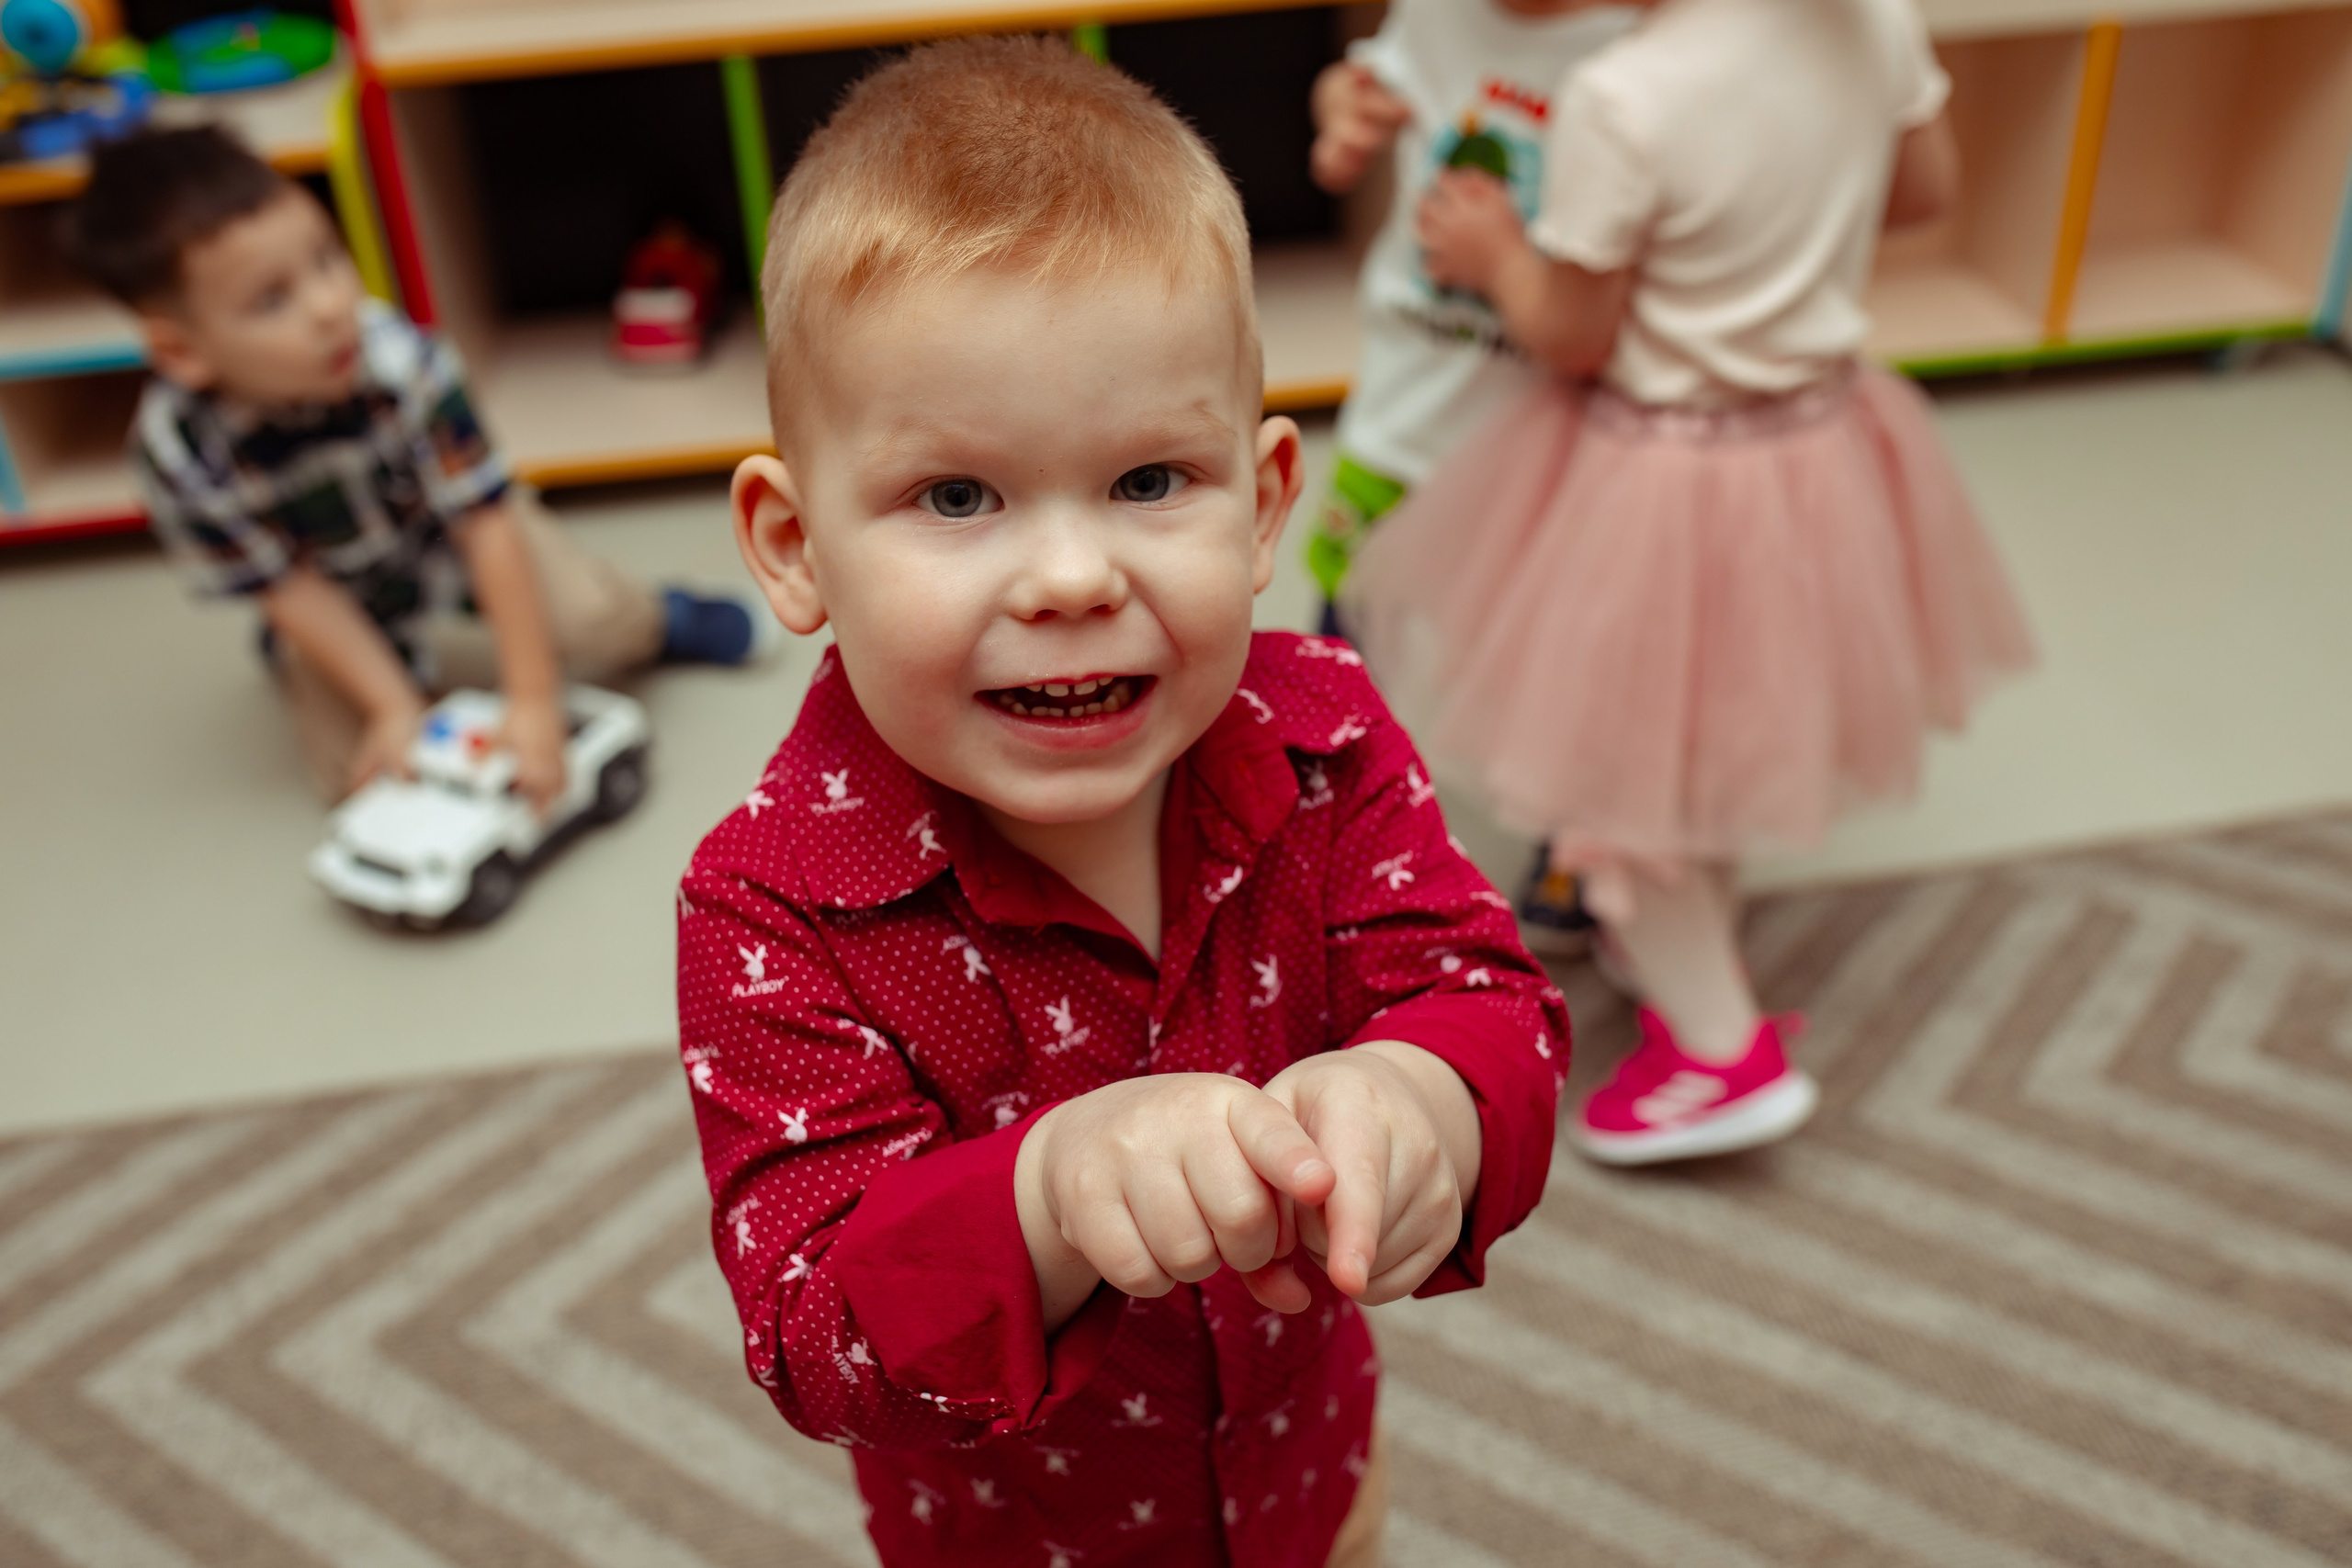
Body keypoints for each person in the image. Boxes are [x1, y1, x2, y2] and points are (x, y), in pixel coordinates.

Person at [675, 37, 1566, 1568]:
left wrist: (1425, 1096)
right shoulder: (772, 902)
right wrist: (1046, 1192)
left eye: (1152, 480)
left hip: (1309, 1478)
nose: (1077, 577)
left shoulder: (1330, 737)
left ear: (1269, 500)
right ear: (791, 542)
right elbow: (810, 1331)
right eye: (957, 497)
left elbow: (1483, 992)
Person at [1344, 0, 2036, 1165]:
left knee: (1619, 781)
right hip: (1817, 439)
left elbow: (1572, 332)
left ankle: (1721, 1056)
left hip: (1668, 471)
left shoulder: (1629, 96)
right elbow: (1920, 194)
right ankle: (1681, 954)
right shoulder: (1873, 21)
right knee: (1710, 737)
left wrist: (1494, 256)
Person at [67, 126, 768, 807]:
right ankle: (320, 661)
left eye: (326, 259)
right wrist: (394, 707)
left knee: (588, 621)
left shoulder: (403, 365)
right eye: (272, 299)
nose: (330, 306)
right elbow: (289, 585)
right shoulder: (177, 456)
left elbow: (486, 524)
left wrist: (530, 699)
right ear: (182, 352)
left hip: (454, 533)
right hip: (331, 583)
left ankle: (658, 617)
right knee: (358, 769)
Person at [1307, 0, 1632, 949]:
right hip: (1403, 408)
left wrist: (1501, 264)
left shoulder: (1634, 52)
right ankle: (1332, 838)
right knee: (1349, 633)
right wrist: (1345, 112)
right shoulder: (1438, 11)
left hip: (1539, 438)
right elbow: (1369, 75)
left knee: (1559, 659)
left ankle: (1573, 844)